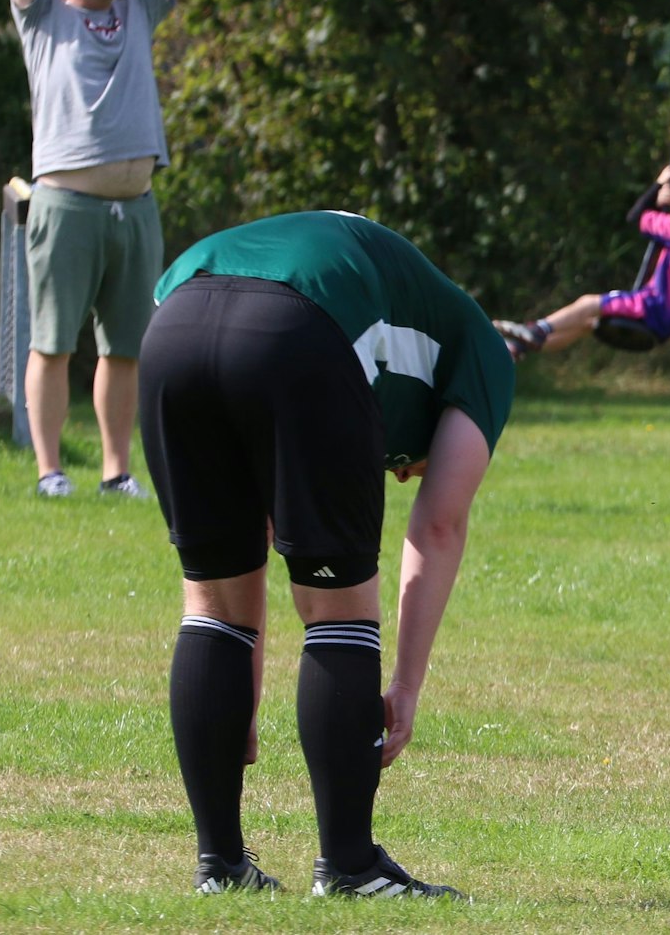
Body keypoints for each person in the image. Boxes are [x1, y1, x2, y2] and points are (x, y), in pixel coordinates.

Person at [139, 211, 515, 897]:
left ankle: (220, 865)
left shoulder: (399, 291)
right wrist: (404, 684)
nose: (401, 473)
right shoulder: (485, 351)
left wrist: (240, 697)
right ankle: (351, 866)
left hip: (172, 320)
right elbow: (438, 525)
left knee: (213, 601)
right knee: (337, 604)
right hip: (299, 329)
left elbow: (252, 535)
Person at [6, 0, 188, 499]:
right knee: (53, 342)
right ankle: (52, 471)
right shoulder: (43, 15)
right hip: (67, 203)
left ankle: (117, 472)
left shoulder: (138, 9)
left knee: (127, 348)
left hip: (135, 204)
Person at [493, 165, 670, 357]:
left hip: (650, 309)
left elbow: (636, 217)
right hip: (666, 324)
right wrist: (664, 208)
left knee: (588, 303)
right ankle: (517, 348)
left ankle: (537, 330)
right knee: (588, 324)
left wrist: (657, 187)